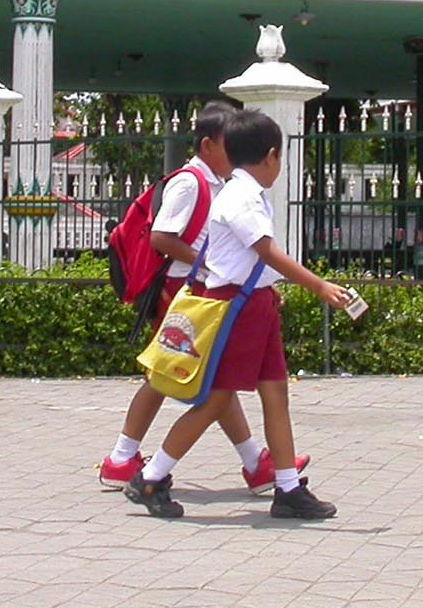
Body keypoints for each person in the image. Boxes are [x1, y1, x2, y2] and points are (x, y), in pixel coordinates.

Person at [126, 109, 349, 521]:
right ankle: (152, 476)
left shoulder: (241, 192)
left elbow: (247, 256)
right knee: (216, 399)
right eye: (280, 158)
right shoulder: (242, 197)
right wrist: (318, 285)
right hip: (236, 308)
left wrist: (268, 290)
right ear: (270, 156)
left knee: (275, 392)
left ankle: (287, 487)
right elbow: (265, 251)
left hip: (253, 304)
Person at [97, 101, 308, 493]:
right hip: (185, 293)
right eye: (230, 145)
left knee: (209, 381)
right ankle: (125, 459)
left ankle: (253, 462)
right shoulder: (190, 183)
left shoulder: (221, 186)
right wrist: (208, 266)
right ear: (209, 145)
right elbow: (162, 238)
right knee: (171, 376)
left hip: (203, 290)